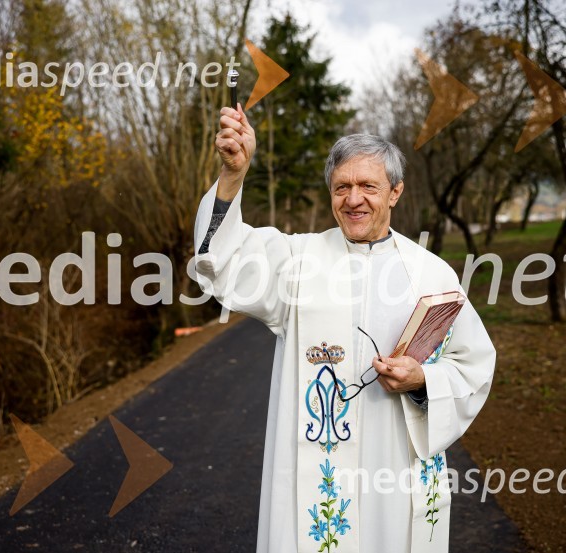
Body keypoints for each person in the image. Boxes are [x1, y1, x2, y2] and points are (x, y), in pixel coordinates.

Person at [192, 103, 496, 553]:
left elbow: (473, 366)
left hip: (395, 468)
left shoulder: (432, 275)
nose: (353, 199)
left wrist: (421, 381)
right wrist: (234, 174)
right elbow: (222, 262)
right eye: (342, 187)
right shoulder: (296, 261)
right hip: (320, 471)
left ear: (395, 192)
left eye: (368, 186)